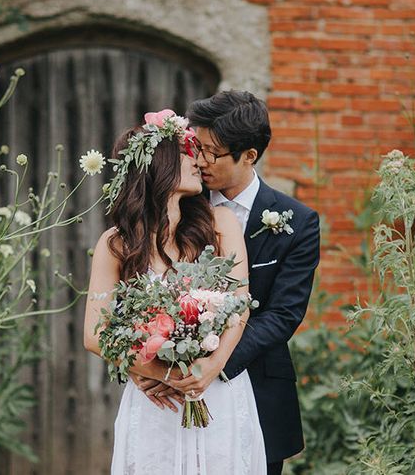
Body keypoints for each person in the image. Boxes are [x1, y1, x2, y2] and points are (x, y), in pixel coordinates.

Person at [83, 110, 267, 475]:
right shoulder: (116, 244)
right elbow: (94, 334)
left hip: (217, 393)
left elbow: (239, 306)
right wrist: (161, 373)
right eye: (187, 153)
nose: (198, 161)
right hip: (156, 404)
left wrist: (206, 371)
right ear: (160, 166)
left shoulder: (220, 225)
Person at [187, 91, 320, 474]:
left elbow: (283, 315)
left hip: (255, 382)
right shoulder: (181, 206)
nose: (200, 160)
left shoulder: (298, 221)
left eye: (212, 152)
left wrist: (212, 362)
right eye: (198, 147)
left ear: (249, 155)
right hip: (178, 382)